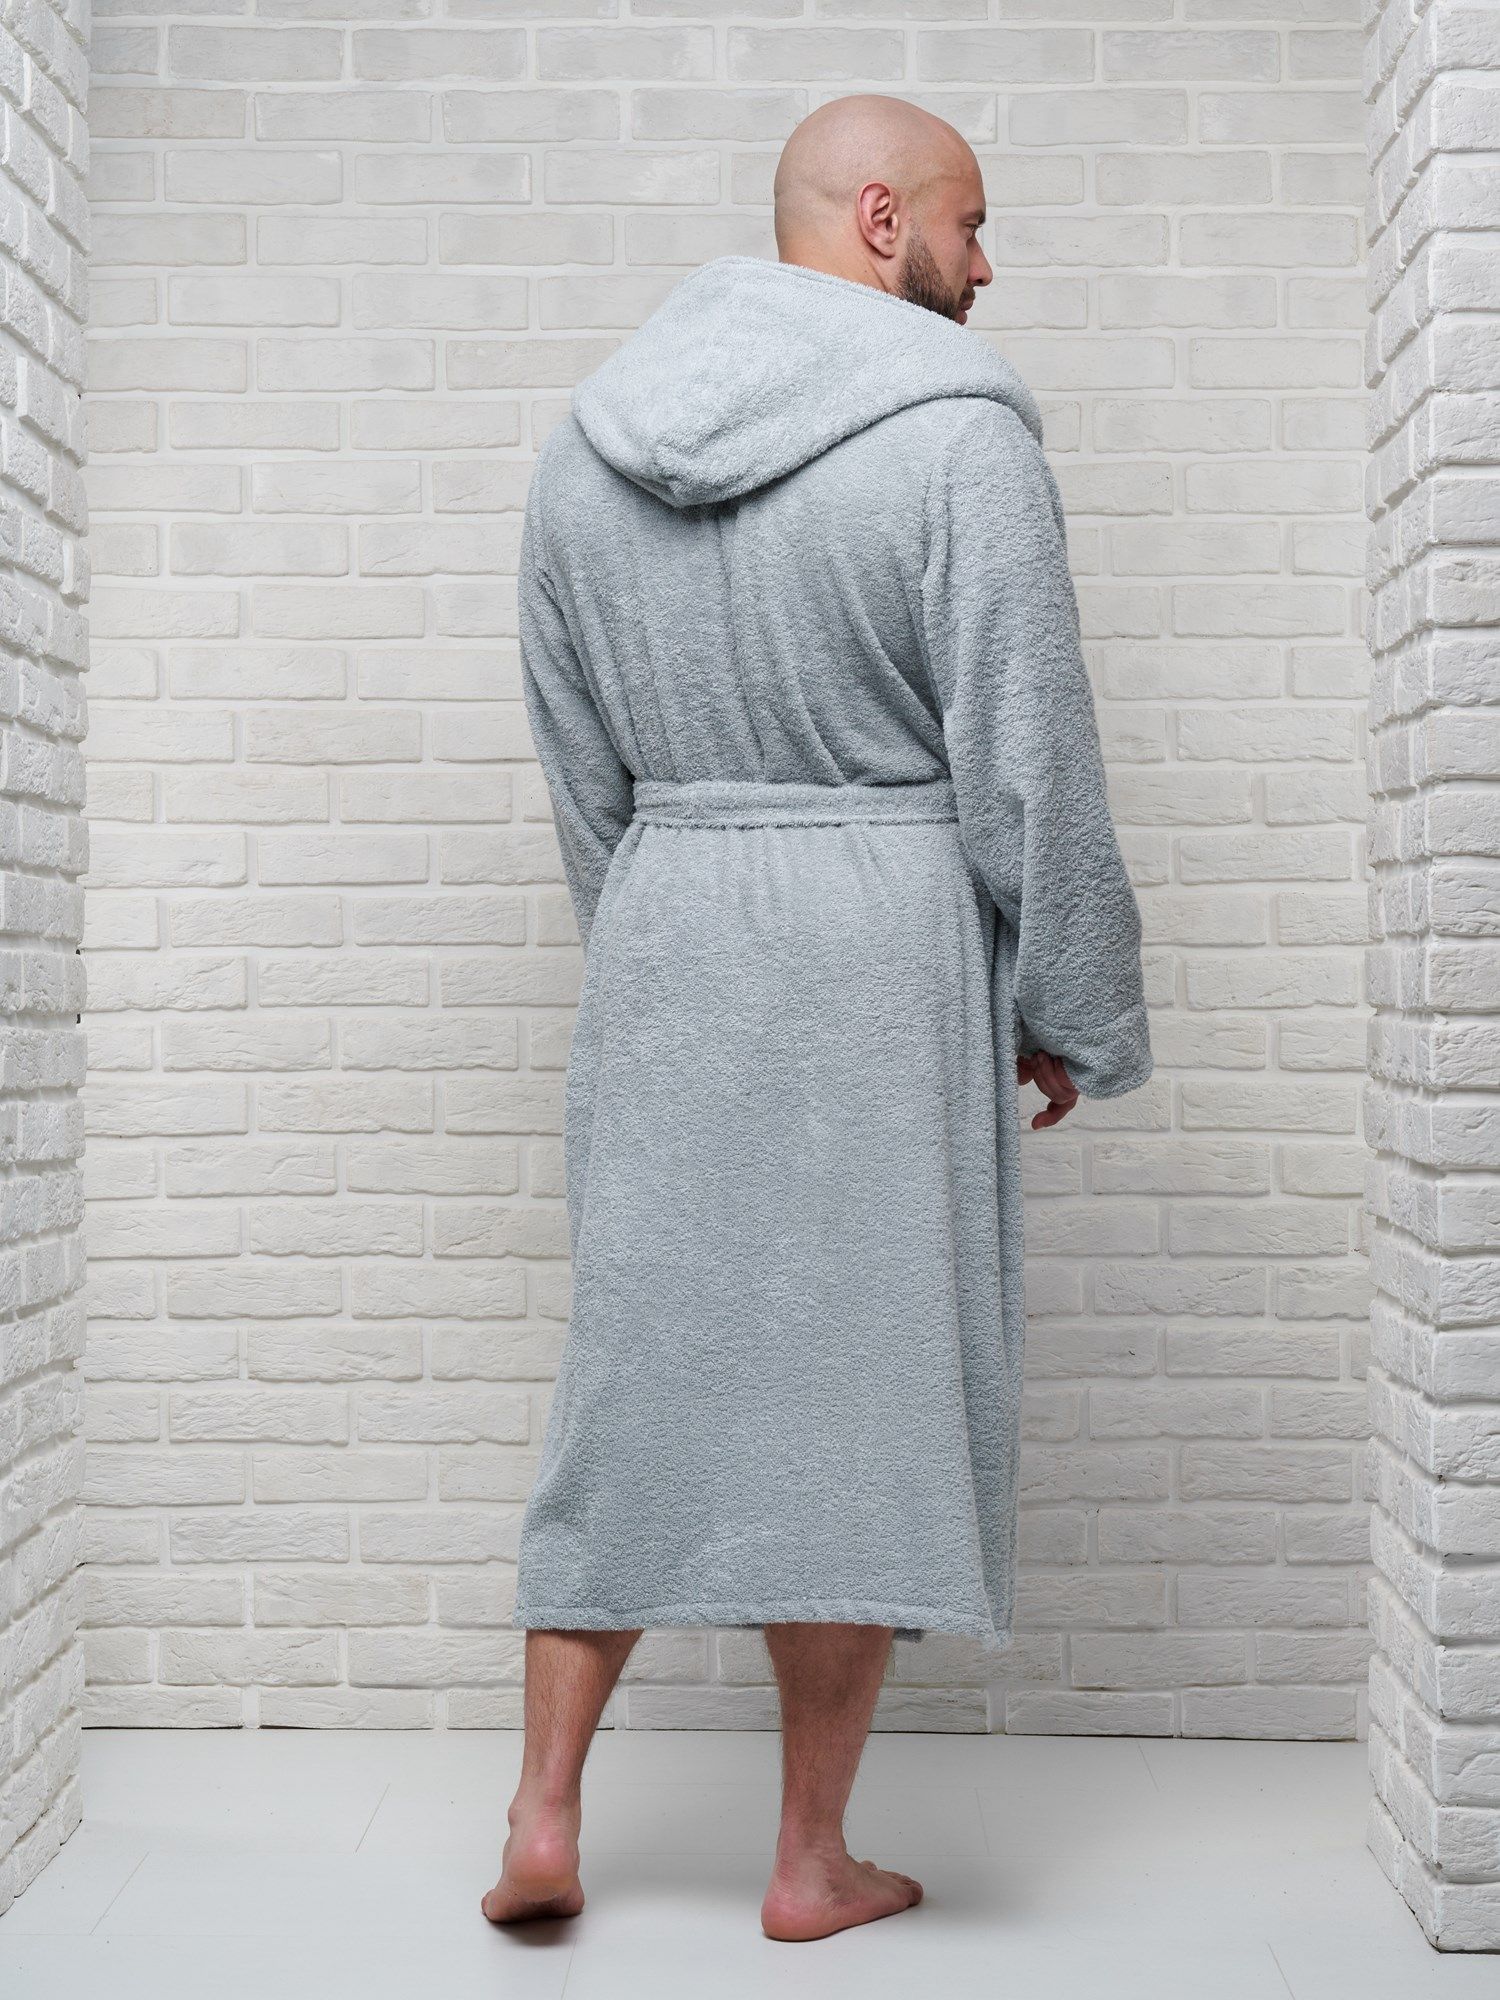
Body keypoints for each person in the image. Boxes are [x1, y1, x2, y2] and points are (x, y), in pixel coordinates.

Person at [482, 93, 1152, 1944]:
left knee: (632, 1377)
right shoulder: (956, 439)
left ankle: (543, 1811)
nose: (985, 265)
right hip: (882, 944)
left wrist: (650, 941)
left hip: (672, 928)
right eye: (969, 222)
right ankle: (808, 1862)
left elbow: (576, 759)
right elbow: (1029, 759)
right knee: (860, 1395)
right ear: (878, 218)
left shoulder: (585, 448)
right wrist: (1069, 1004)